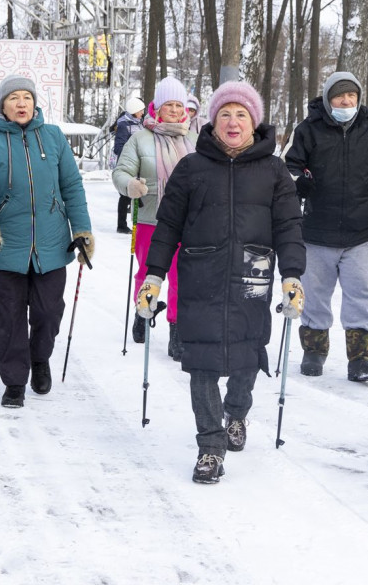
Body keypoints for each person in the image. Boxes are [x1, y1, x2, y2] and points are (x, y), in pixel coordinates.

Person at [137, 81, 305, 484]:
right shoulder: (192, 168)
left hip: (253, 276)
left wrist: (293, 275)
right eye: (225, 114)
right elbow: (167, 227)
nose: (233, 122)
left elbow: (289, 226)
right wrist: (154, 277)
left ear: (254, 122)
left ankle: (238, 412)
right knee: (202, 365)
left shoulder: (274, 170)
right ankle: (210, 447)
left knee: (248, 356)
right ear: (212, 122)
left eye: (241, 114)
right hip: (202, 276)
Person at [0, 74, 93, 408]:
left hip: (52, 244)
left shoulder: (52, 137)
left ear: (35, 103)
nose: (21, 103)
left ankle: (40, 359)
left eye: (26, 97)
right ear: (2, 106)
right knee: (9, 317)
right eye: (13, 98)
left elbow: (72, 187)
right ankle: (14, 380)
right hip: (7, 245)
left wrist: (81, 230)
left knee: (48, 312)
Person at [284, 71, 368, 382]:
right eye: (340, 96)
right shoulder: (307, 130)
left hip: (361, 231)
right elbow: (288, 169)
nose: (346, 101)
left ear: (359, 97)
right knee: (315, 293)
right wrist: (301, 184)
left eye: (351, 95)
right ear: (328, 99)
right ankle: (314, 351)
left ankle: (362, 359)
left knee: (361, 294)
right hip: (317, 230)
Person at [112, 77, 197, 360]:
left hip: (188, 222)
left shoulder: (194, 139)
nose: (173, 110)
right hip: (151, 218)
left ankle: (177, 330)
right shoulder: (140, 138)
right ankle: (142, 311)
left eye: (178, 105)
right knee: (149, 273)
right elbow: (120, 172)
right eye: (168, 105)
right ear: (156, 108)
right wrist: (130, 186)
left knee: (180, 276)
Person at [112, 95, 146, 233]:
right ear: (134, 111)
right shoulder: (124, 126)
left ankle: (140, 221)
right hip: (129, 164)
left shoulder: (140, 123)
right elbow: (118, 147)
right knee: (125, 195)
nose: (143, 113)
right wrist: (131, 155)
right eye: (141, 110)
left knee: (141, 190)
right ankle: (121, 225)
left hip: (141, 162)